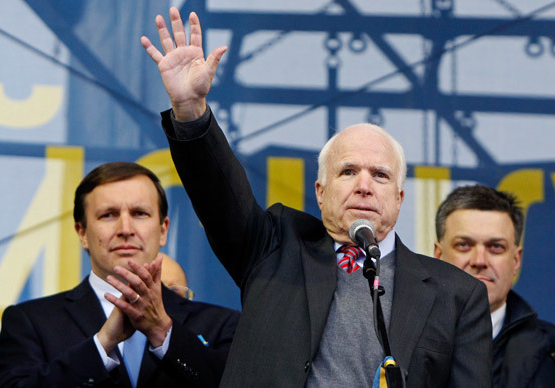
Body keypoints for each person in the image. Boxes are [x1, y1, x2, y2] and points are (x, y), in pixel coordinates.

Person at [141, 7, 492, 387]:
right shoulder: (273, 248)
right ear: (320, 193)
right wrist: (191, 111)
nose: (364, 185)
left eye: (380, 175)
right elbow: (217, 192)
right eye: (348, 171)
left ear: (399, 197)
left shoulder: (456, 294)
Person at [0, 162, 240, 388]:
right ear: (82, 233)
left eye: (139, 213)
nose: (125, 229)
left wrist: (162, 331)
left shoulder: (223, 325)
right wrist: (101, 345)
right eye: (108, 215)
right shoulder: (31, 322)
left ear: (163, 230)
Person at [433, 184, 555, 387]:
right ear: (438, 256)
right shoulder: (399, 341)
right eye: (464, 245)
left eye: (496, 247)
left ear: (516, 260)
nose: (479, 260)